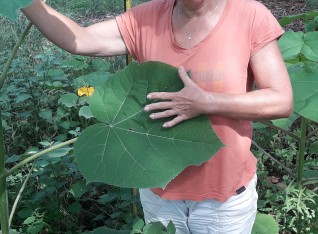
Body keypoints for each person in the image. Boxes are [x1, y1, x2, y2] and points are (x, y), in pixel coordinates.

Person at [22, 0, 293, 233]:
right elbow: (80, 39)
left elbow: (281, 101)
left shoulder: (249, 15)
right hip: (158, 193)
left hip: (223, 199)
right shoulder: (146, 19)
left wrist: (207, 102)